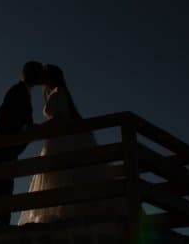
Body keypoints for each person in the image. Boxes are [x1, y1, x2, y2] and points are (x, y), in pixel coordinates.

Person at [17, 64, 116, 224]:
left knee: (64, 175)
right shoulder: (59, 93)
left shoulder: (59, 93)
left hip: (61, 142)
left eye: (46, 76)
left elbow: (60, 120)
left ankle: (67, 212)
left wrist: (38, 130)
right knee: (62, 177)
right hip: (58, 141)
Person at [0, 61, 44, 228]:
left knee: (3, 180)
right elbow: (2, 114)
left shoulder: (21, 91)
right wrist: (19, 131)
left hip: (6, 144)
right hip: (3, 143)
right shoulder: (18, 91)